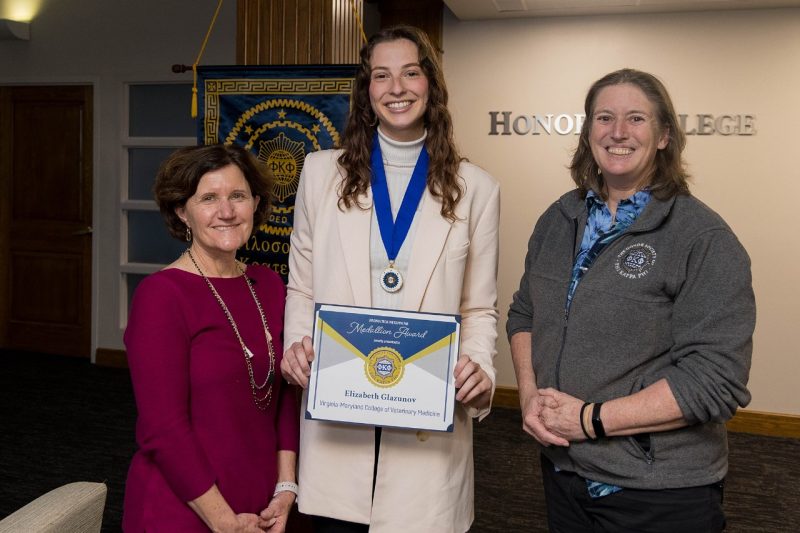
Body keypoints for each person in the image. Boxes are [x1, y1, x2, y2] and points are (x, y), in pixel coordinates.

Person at [507, 68, 755, 532]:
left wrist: (590, 420)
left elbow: (715, 380)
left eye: (635, 119)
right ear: (588, 133)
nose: (618, 132)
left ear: (663, 136)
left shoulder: (702, 237)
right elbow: (524, 313)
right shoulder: (559, 219)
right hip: (563, 472)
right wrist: (526, 397)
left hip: (657, 489)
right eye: (604, 118)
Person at [279, 25, 500, 533]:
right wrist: (297, 343)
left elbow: (479, 307)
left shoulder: (477, 190)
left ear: (431, 85)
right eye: (381, 75)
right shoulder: (319, 173)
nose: (396, 87)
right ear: (366, 89)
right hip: (340, 407)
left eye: (410, 72)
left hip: (427, 411)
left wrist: (480, 368)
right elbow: (303, 285)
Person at [123, 144, 299, 532]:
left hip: (266, 502)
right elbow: (162, 428)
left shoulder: (269, 285)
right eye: (208, 198)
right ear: (181, 211)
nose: (226, 212)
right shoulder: (162, 295)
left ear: (255, 203)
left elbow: (287, 393)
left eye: (238, 196)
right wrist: (224, 522)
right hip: (186, 507)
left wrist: (286, 488)